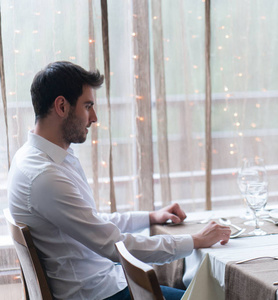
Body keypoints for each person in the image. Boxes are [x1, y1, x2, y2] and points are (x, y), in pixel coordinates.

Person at [7, 61, 231, 300]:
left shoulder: (38, 158)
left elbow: (92, 222)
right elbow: (116, 246)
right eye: (88, 106)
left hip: (103, 281)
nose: (94, 117)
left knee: (203, 289)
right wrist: (195, 240)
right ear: (61, 106)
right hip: (99, 294)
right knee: (216, 294)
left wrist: (149, 217)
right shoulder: (45, 177)